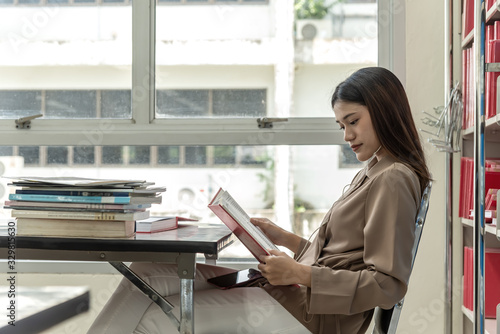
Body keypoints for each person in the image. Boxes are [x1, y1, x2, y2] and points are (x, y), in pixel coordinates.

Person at [88, 67, 431, 334]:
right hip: (300, 295)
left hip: (317, 316)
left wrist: (300, 273)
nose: (347, 136)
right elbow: (342, 254)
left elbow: (387, 285)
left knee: (155, 320)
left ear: (384, 111)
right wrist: (284, 239)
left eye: (353, 122)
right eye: (341, 125)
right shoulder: (375, 169)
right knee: (147, 271)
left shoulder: (393, 178)